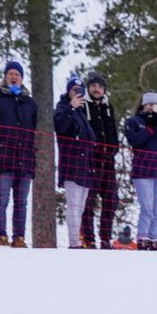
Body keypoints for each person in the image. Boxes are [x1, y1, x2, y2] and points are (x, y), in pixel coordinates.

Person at [0, 60, 38, 248]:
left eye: (17, 74)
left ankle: (19, 237)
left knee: (21, 201)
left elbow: (34, 127)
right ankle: (1, 236)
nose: (13, 77)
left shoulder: (30, 102)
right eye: (11, 73)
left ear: (22, 78)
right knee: (2, 197)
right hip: (3, 157)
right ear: (5, 76)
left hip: (25, 158)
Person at [125, 90, 157, 250]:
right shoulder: (134, 121)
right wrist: (149, 128)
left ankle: (155, 237)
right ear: (143, 105)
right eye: (149, 104)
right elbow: (134, 140)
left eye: (155, 105)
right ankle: (142, 236)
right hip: (143, 170)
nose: (151, 108)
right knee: (146, 206)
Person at [55, 76, 97, 249]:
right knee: (73, 205)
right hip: (71, 164)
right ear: (68, 91)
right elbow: (60, 125)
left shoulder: (82, 112)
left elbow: (91, 138)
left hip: (85, 166)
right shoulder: (62, 108)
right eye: (74, 90)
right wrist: (70, 108)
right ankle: (74, 243)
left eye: (80, 91)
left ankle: (78, 239)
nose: (77, 94)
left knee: (80, 206)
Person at [81, 71, 119, 249]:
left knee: (111, 200)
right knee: (89, 201)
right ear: (89, 87)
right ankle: (88, 237)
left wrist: (114, 148)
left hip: (108, 161)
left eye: (100, 86)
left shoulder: (108, 107)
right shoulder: (83, 105)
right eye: (94, 86)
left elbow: (112, 131)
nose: (97, 89)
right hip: (90, 160)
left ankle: (105, 237)